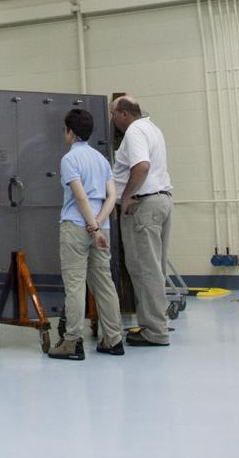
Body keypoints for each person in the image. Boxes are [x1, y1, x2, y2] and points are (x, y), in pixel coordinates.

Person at [47, 107, 124, 361]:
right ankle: (113, 339)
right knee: (104, 284)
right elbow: (112, 195)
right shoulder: (101, 159)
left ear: (69, 132)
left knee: (75, 286)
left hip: (76, 227)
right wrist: (99, 224)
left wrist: (90, 224)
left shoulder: (69, 160)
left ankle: (72, 342)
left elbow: (79, 195)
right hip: (102, 228)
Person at [110, 95, 173, 347]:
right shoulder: (152, 128)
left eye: (113, 115)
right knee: (155, 268)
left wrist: (125, 197)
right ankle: (157, 323)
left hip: (144, 205)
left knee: (144, 269)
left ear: (124, 114)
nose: (112, 120)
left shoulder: (134, 131)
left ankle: (154, 331)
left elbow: (142, 166)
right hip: (162, 201)